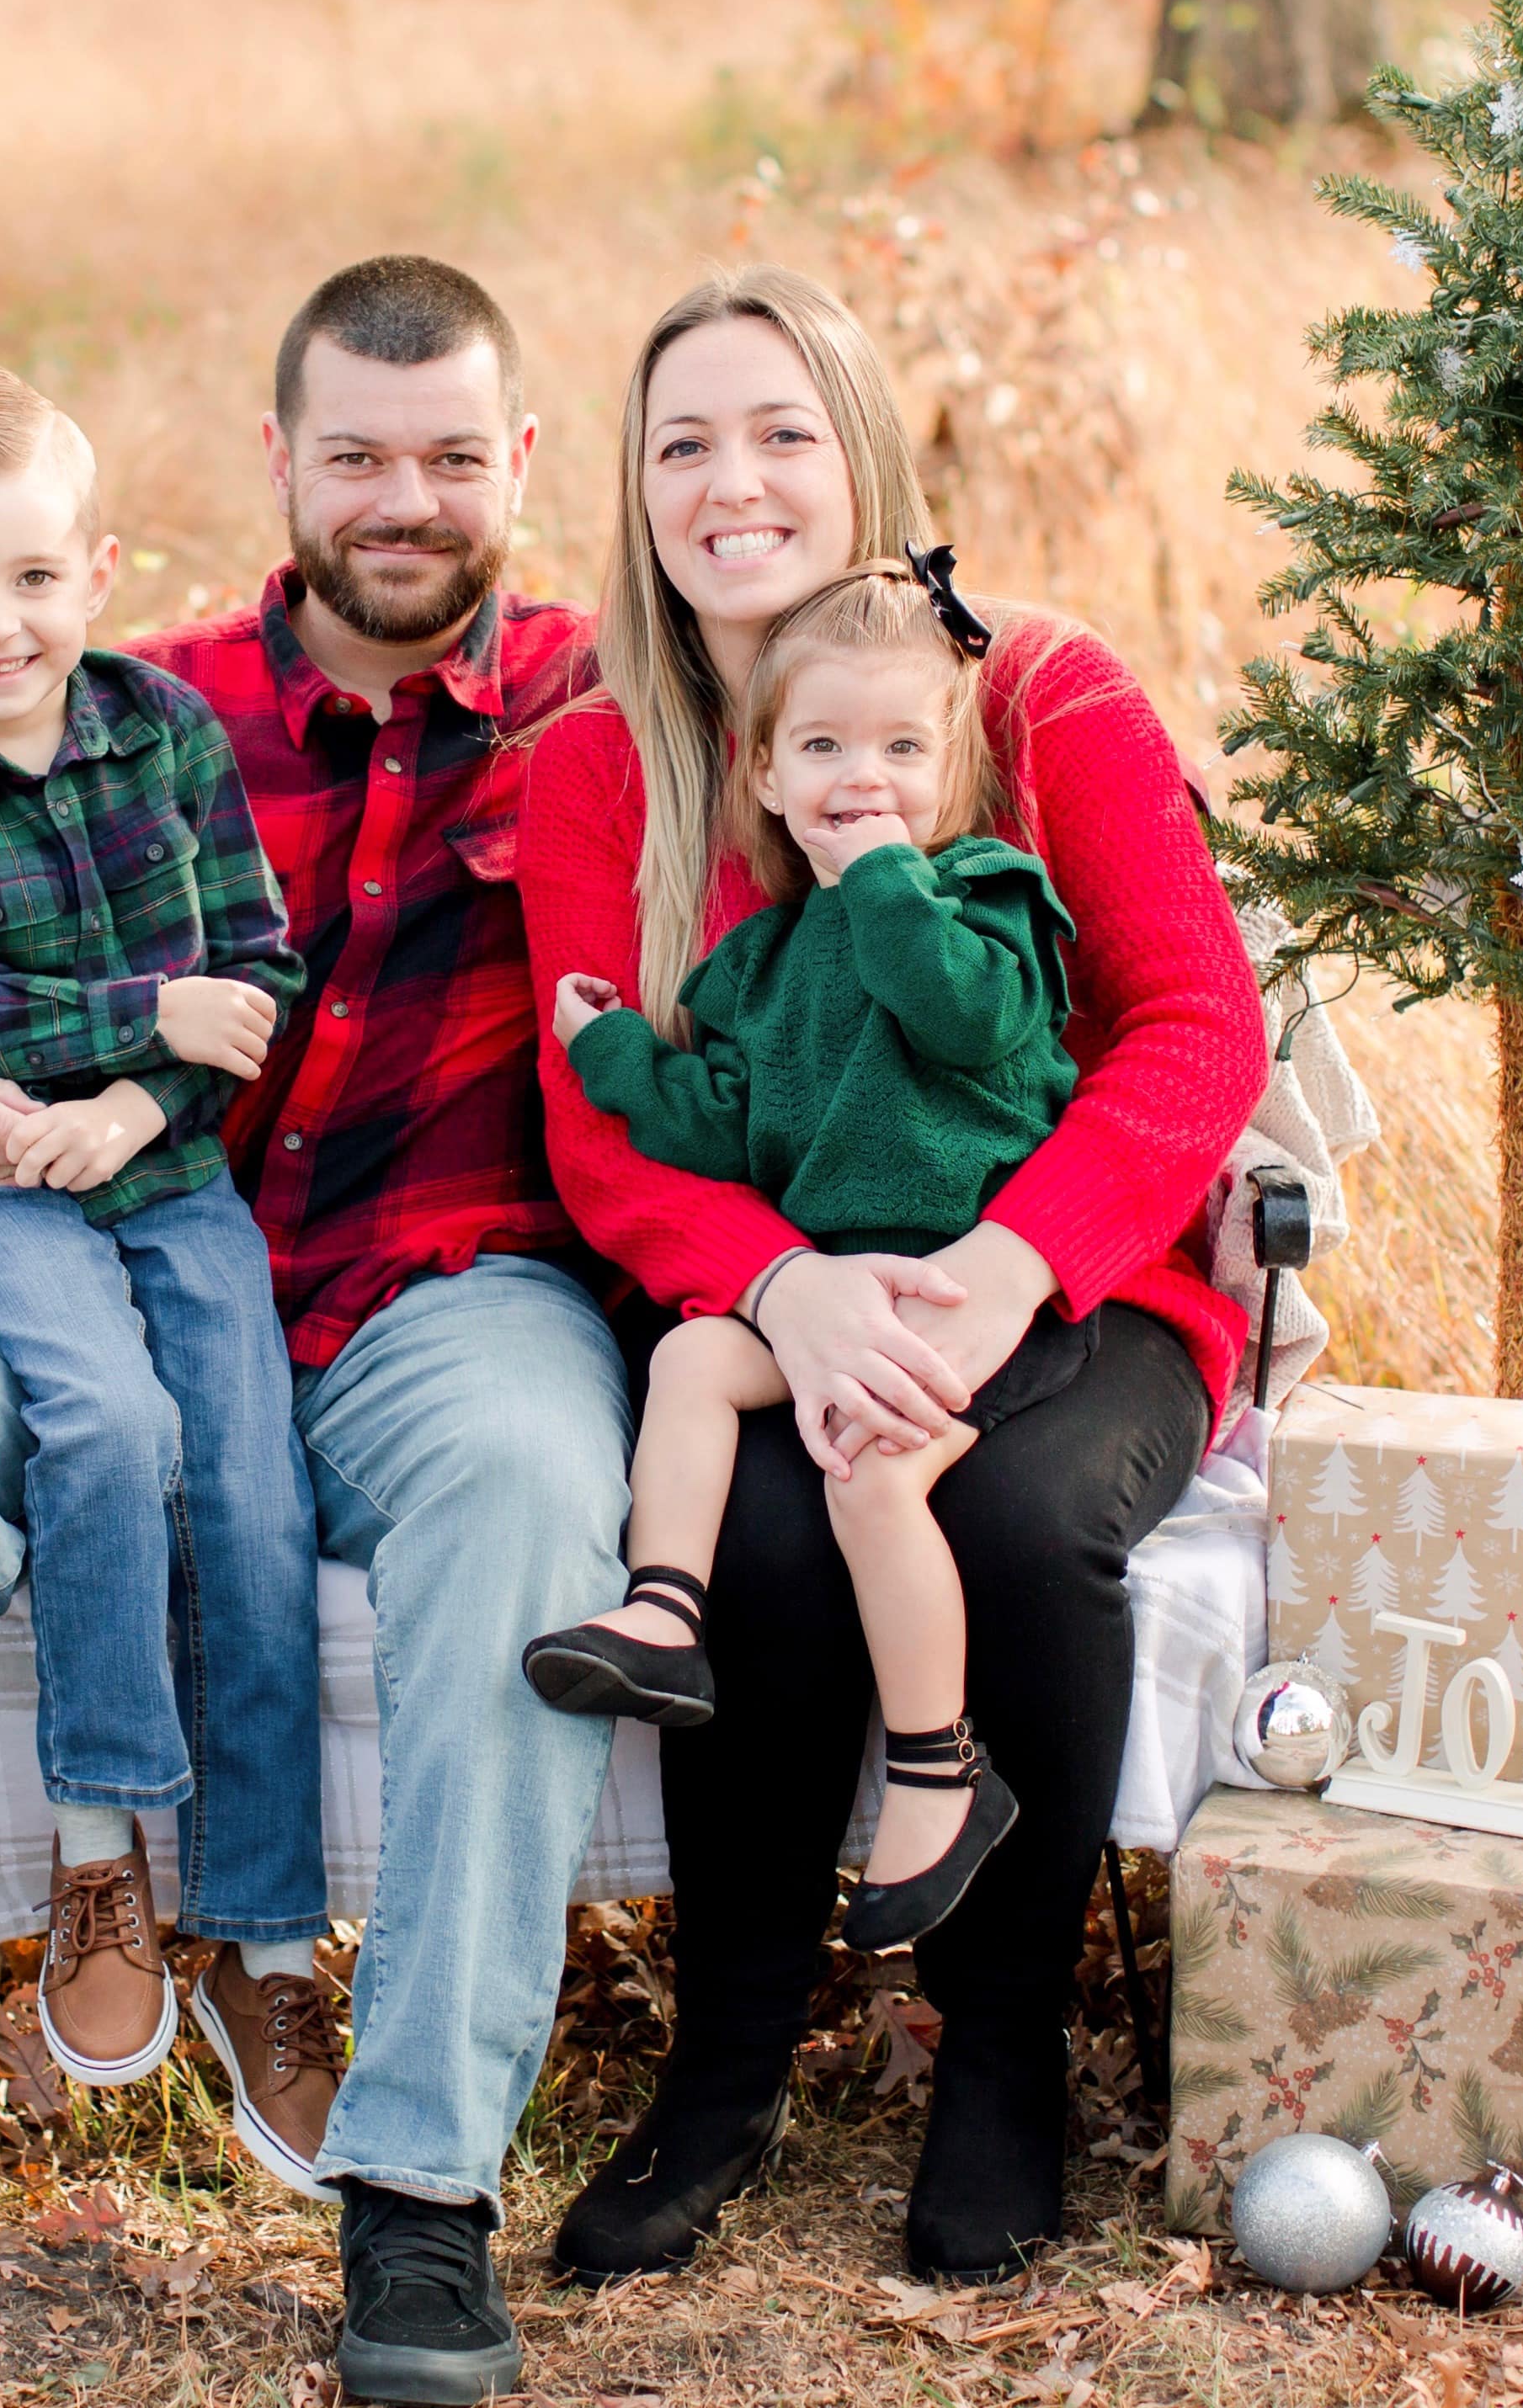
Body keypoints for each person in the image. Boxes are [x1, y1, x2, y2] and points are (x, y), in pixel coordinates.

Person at [0, 258, 620, 2408]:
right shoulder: (135, 696)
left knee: (537, 1485)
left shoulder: (595, 712)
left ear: (520, 470)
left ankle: (422, 2186)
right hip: (59, 1250)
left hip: (424, 1296)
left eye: (452, 456)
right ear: (278, 466)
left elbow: (845, 762)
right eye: (355, 454)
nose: (403, 499)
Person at [518, 268, 1258, 2288]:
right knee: (755, 1542)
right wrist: (788, 1296)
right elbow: (609, 1128)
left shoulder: (1040, 696)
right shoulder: (599, 770)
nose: (733, 482)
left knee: (1016, 1522)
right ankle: (730, 2061)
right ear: (633, 490)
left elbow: (1198, 1031)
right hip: (784, 1301)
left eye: (782, 432)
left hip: (1080, 1286)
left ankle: (1001, 2050)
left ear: (866, 458)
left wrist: (1014, 1268)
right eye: (683, 442)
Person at [0, 369, 327, 2128]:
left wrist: (129, 1097)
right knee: (107, 1430)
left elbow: (253, 977)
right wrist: (140, 1022)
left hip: (160, 1173)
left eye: (31, 577)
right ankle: (99, 1853)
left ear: (98, 571)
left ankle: (263, 1933)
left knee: (251, 1485)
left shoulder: (167, 736)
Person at [522, 559, 1070, 1963]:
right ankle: (662, 1607)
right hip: (829, 1293)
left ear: (954, 772)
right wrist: (616, 1053)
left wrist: (887, 872)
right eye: (823, 747)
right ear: (764, 773)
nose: (862, 777)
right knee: (698, 1353)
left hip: (971, 1295)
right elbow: (725, 1129)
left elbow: (957, 1018)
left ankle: (944, 1769)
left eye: (902, 749)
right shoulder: (761, 965)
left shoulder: (989, 899)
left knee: (875, 1482)